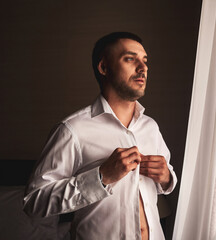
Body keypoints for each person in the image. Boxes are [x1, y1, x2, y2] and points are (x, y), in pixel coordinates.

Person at [23, 32, 177, 240]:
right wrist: (100, 178)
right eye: (130, 59)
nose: (143, 68)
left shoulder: (151, 127)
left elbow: (162, 183)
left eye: (145, 60)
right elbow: (34, 202)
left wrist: (167, 178)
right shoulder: (73, 130)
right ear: (104, 67)